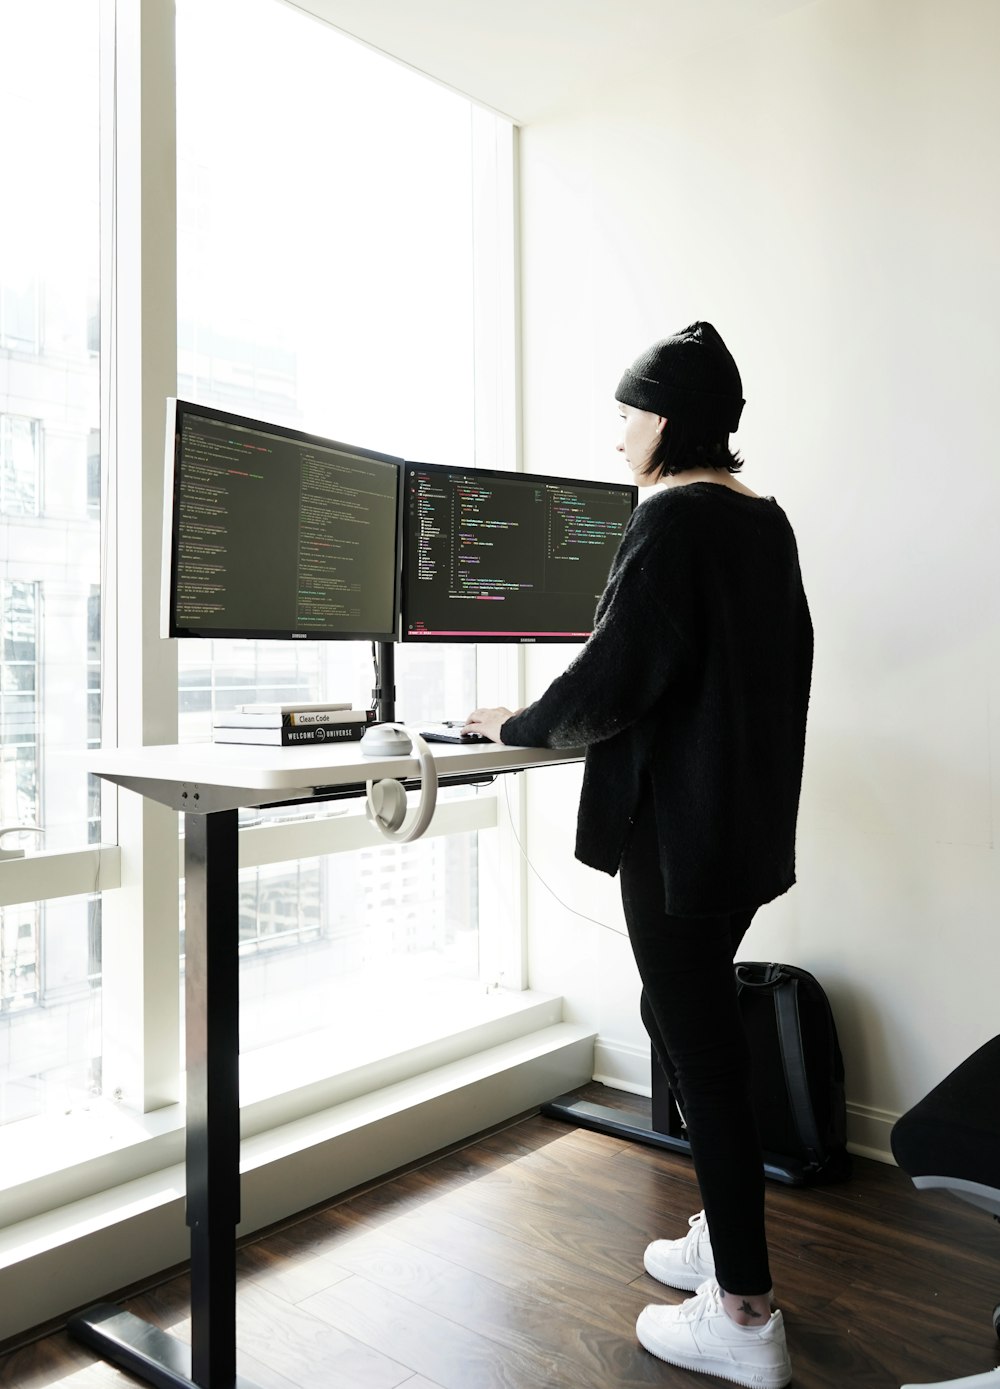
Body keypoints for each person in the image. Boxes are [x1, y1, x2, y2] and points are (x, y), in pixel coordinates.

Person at [463, 321, 812, 1389]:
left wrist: (513, 726)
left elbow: (616, 676)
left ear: (662, 418)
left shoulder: (671, 522)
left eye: (625, 414)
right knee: (685, 1021)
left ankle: (745, 1318)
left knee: (698, 1049)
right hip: (745, 830)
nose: (617, 435)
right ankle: (720, 1231)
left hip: (682, 834)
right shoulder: (765, 520)